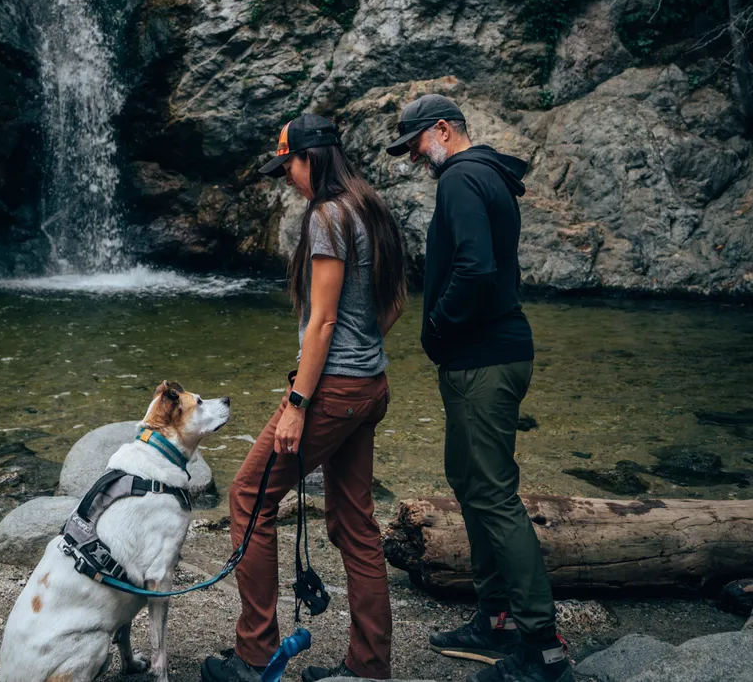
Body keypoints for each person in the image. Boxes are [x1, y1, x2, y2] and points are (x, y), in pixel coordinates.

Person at [202, 113, 407, 682]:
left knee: (248, 496)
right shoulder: (372, 207)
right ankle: (368, 669)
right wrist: (364, 353)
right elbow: (393, 303)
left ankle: (255, 656)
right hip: (370, 387)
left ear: (310, 157)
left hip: (332, 391)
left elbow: (322, 323)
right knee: (354, 524)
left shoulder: (328, 217)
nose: (287, 175)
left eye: (288, 163)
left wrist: (297, 403)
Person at [386, 94, 572, 682]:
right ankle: (494, 618)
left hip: (483, 359)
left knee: (490, 493)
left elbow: (474, 267)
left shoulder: (463, 178)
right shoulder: (489, 174)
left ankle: (541, 646)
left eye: (416, 143)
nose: (415, 157)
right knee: (473, 484)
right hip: (495, 353)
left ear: (443, 130)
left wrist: (438, 325)